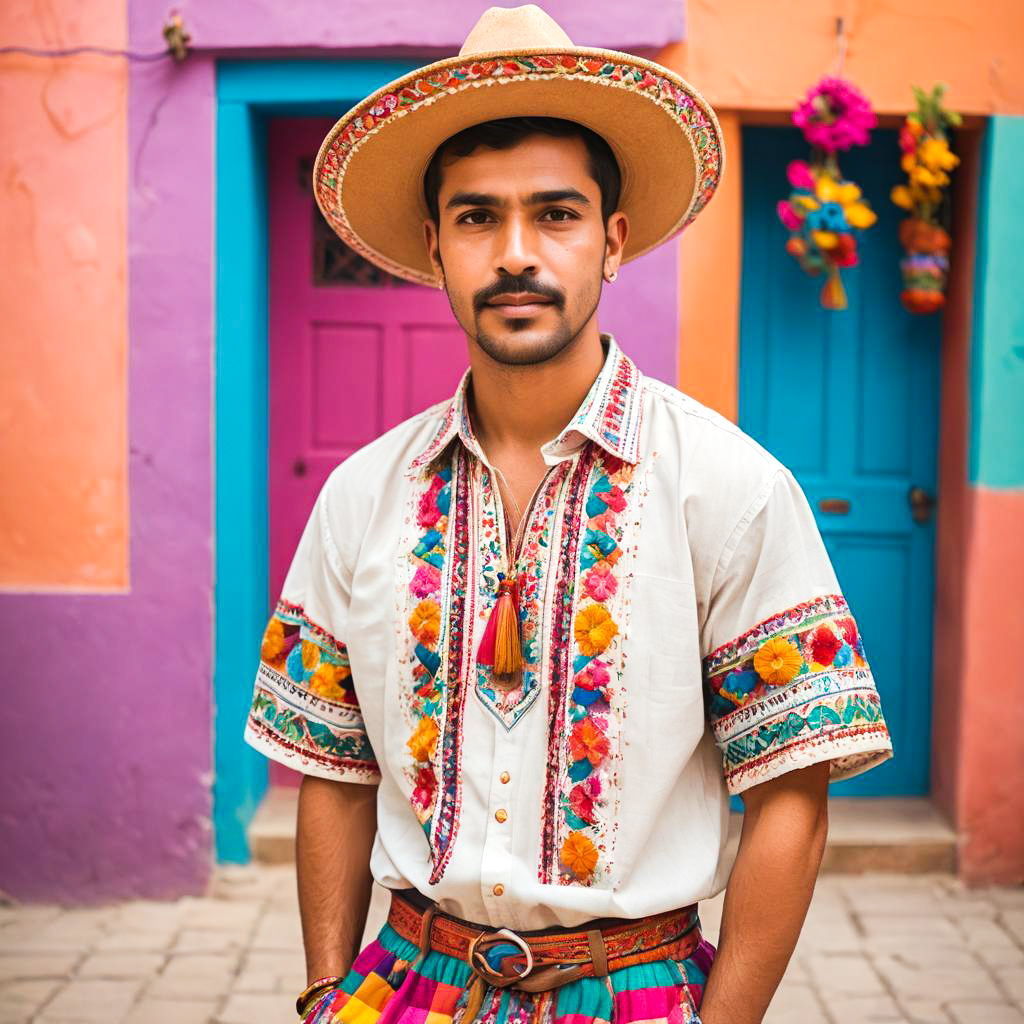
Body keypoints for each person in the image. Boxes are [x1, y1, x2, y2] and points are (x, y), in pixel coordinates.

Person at [242, 6, 894, 1024]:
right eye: (475, 217)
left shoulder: (727, 486)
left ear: (611, 238)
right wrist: (328, 991)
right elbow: (333, 765)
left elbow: (792, 796)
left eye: (554, 213)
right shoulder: (361, 495)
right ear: (434, 245)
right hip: (405, 987)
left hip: (637, 991)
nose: (515, 253)